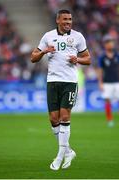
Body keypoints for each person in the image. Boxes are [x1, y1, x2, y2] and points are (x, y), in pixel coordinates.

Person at [31, 9, 91, 170]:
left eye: (70, 19)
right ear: (58, 20)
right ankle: (68, 151)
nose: (68, 22)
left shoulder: (78, 37)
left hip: (69, 82)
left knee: (64, 117)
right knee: (53, 119)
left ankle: (59, 155)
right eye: (65, 19)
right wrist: (44, 51)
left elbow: (88, 59)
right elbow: (33, 58)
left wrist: (77, 59)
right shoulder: (48, 36)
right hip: (52, 81)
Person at [97, 34, 119, 128]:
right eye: (108, 42)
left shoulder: (117, 55)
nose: (110, 44)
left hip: (117, 82)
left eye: (111, 42)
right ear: (105, 44)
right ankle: (110, 121)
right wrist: (100, 82)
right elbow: (100, 70)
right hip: (107, 83)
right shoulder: (102, 57)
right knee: (107, 101)